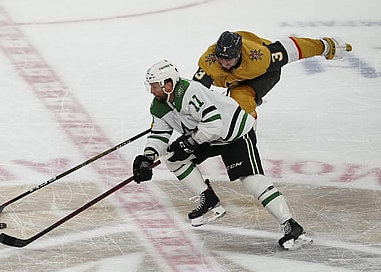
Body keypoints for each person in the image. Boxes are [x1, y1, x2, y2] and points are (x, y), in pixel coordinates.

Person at [132, 60, 312, 250]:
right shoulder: (159, 105)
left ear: (168, 84)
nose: (152, 91)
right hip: (207, 137)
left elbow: (213, 124)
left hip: (235, 134)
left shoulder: (190, 92)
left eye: (154, 86)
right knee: (173, 158)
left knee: (252, 181)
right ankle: (208, 198)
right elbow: (159, 134)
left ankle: (291, 225)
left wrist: (188, 143)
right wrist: (147, 157)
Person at [193, 31, 353, 118]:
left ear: (239, 53)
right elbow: (193, 94)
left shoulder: (260, 58)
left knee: (240, 101)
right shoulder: (208, 63)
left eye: (230, 58)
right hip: (235, 79)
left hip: (264, 74)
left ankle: (246, 130)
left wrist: (325, 46)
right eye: (221, 58)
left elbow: (294, 49)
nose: (225, 62)